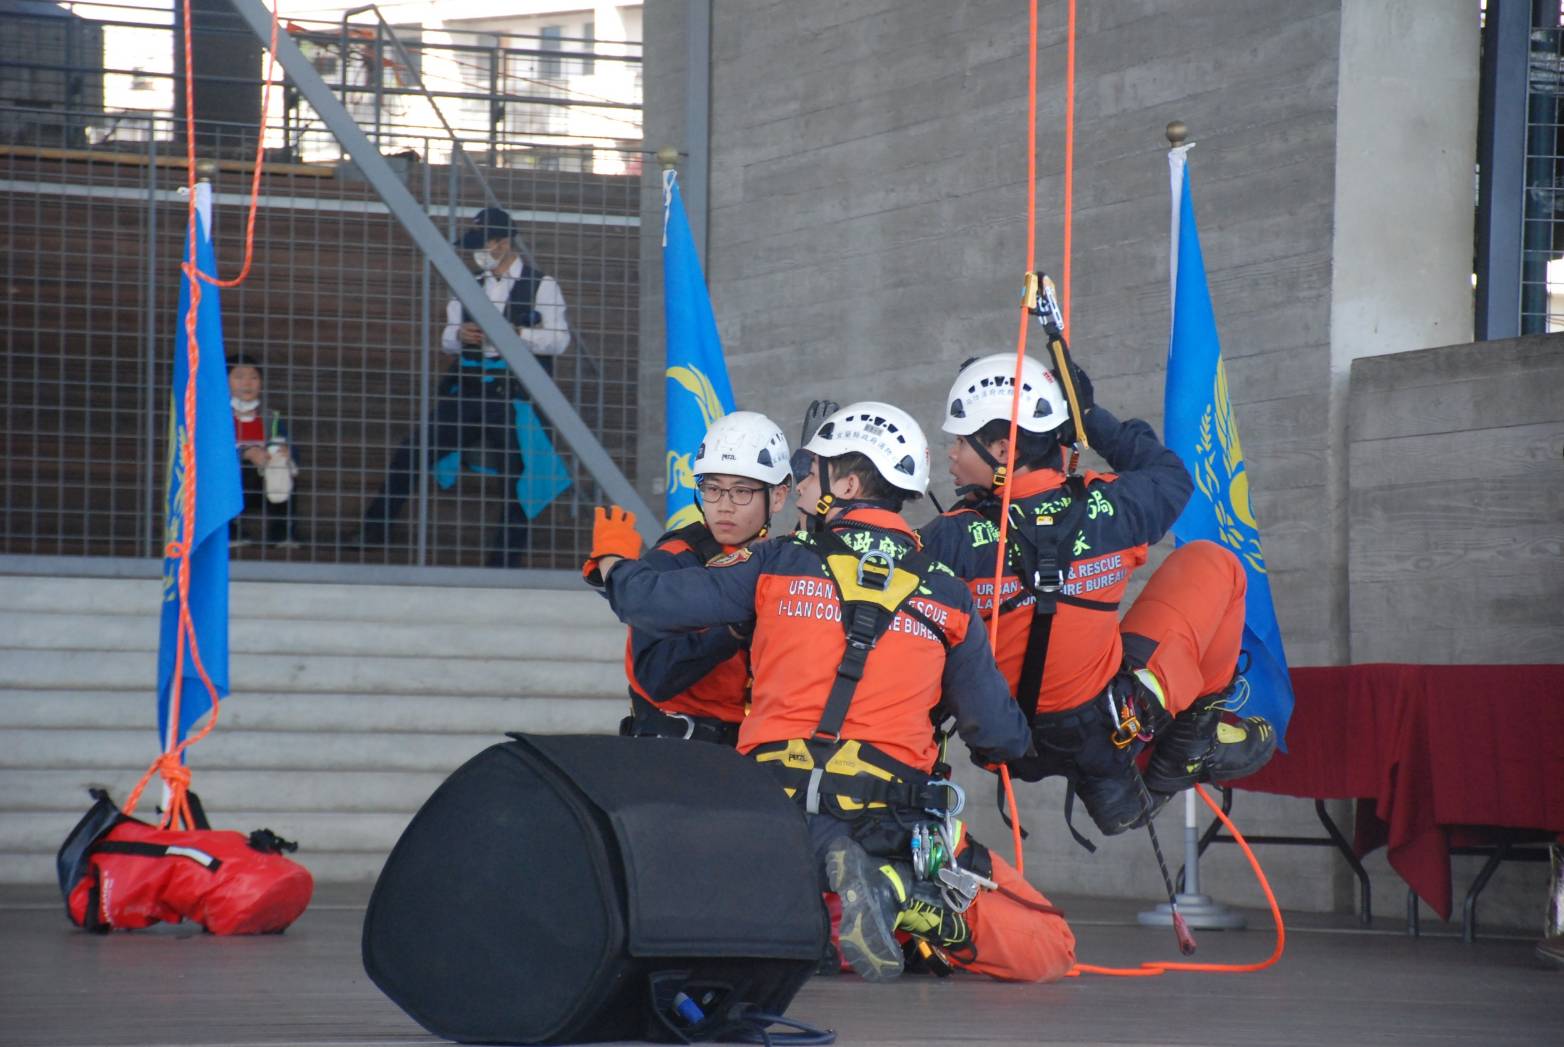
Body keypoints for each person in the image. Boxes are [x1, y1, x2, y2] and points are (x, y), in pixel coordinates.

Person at [584, 402, 1075, 984]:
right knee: (1053, 943)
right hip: (891, 818)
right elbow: (999, 735)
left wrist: (614, 564)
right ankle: (905, 893)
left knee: (773, 914)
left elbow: (656, 605)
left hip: (769, 808)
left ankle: (844, 887)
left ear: (845, 483)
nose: (800, 486)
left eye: (811, 472)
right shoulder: (949, 593)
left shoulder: (775, 562)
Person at [918, 352, 1277, 843]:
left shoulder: (947, 539)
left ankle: (1117, 790)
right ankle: (1188, 742)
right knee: (1217, 565)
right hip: (1110, 723)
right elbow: (1170, 473)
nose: (952, 454)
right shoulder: (1110, 505)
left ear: (1004, 449)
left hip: (1005, 737)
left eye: (960, 441)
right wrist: (1089, 419)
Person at [358, 207, 570, 567]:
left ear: (502, 242)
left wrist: (516, 335)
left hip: (512, 396)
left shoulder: (543, 284)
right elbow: (447, 338)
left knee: (517, 477)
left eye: (482, 244)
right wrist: (459, 334)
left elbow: (558, 341)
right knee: (412, 451)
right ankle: (373, 533)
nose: (476, 253)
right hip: (468, 391)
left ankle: (505, 560)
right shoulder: (467, 283)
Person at [621, 411, 791, 745]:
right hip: (676, 751)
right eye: (712, 488)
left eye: (741, 491)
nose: (724, 506)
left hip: (755, 751)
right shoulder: (670, 562)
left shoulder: (785, 564)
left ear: (779, 497)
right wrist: (729, 630)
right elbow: (656, 675)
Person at [227, 353, 299, 548]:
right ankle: (231, 531)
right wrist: (245, 454)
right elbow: (212, 453)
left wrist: (285, 452)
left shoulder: (270, 417)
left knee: (282, 470)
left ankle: (282, 533)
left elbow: (289, 446)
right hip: (234, 477)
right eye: (239, 377)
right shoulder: (220, 417)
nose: (247, 383)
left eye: (254, 377)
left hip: (265, 477)